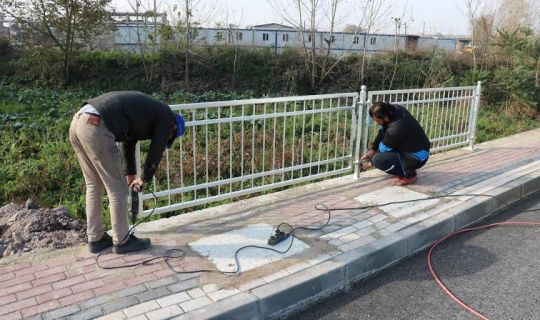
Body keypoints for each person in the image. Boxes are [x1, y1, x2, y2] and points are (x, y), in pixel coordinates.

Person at [69, 91, 185, 254]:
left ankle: (95, 239)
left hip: (79, 122)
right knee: (118, 189)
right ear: (174, 128)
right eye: (169, 137)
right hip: (96, 126)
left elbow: (128, 141)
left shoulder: (147, 113)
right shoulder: (167, 117)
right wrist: (144, 179)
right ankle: (122, 241)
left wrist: (130, 173)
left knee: (94, 185)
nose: (167, 138)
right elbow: (156, 149)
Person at [360, 101, 430, 185]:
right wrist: (373, 149)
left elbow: (383, 149)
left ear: (385, 117)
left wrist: (370, 163)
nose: (376, 123)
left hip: (418, 157)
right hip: (419, 148)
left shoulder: (395, 129)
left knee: (378, 160)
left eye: (377, 120)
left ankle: (409, 175)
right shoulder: (396, 109)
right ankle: (408, 168)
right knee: (379, 153)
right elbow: (382, 131)